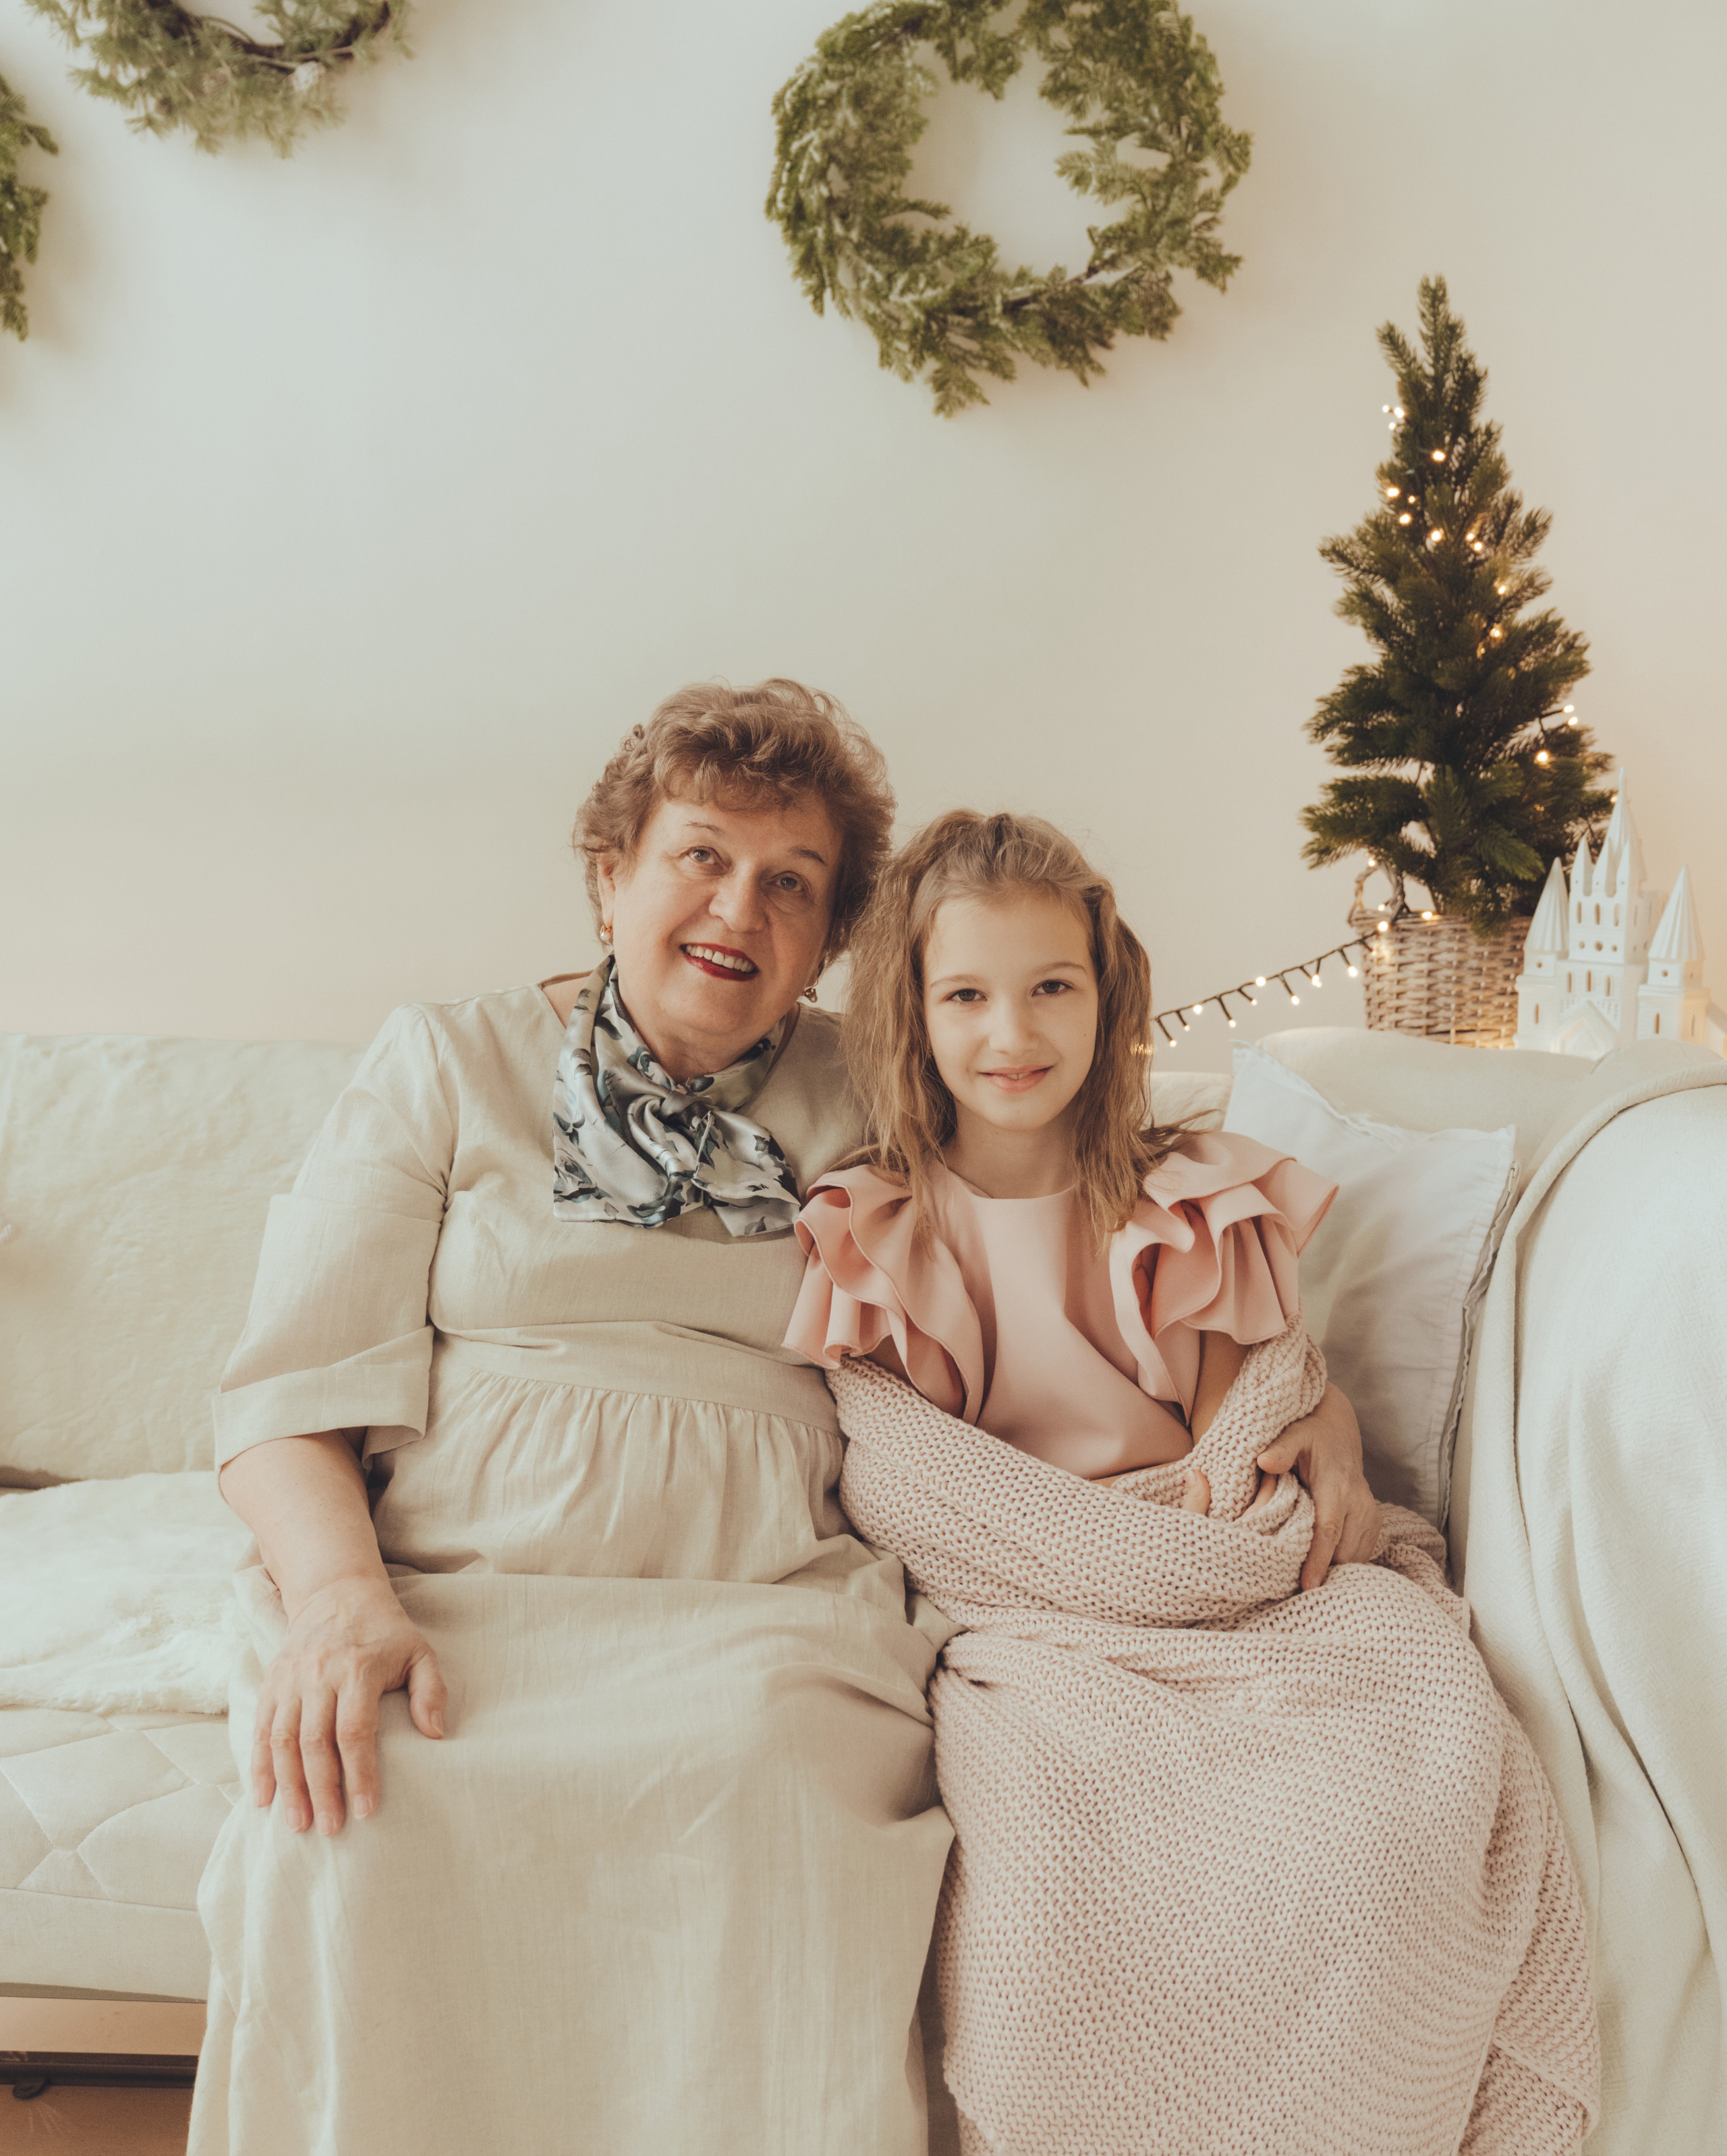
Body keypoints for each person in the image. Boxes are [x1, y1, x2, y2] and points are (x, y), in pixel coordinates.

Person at [191, 688, 1378, 2156]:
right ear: (608, 873)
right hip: (453, 1588)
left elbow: (1091, 1188)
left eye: (790, 884)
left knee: (766, 1797)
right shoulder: (444, 1065)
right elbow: (289, 1386)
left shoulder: (879, 1079)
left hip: (761, 1606)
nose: (736, 909)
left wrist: (1299, 1390)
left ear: (828, 942)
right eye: (698, 857)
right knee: (366, 1824)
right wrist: (337, 1602)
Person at [785, 810, 1599, 2156]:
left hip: (1239, 1583)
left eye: (1052, 988)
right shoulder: (876, 1229)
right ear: (910, 1016)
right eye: (968, 996)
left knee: (1417, 1751)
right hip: (1030, 1620)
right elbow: (906, 1476)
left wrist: (1293, 1454)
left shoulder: (1186, 1202)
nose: (1012, 1034)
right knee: (1044, 1896)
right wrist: (1110, 1556)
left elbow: (1253, 1426)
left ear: (1106, 1001)